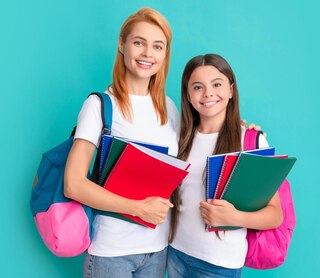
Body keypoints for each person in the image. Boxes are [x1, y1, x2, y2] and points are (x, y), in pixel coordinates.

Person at [64, 7, 177, 277]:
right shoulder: (100, 106)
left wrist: (242, 129)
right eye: (139, 42)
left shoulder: (170, 109)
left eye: (157, 46)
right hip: (112, 253)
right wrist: (139, 209)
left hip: (158, 250)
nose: (148, 53)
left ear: (164, 54)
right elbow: (73, 184)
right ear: (122, 44)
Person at [167, 54, 283, 278]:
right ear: (188, 96)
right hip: (175, 254)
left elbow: (275, 214)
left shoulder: (251, 141)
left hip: (218, 264)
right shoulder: (178, 138)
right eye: (197, 87)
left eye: (217, 84)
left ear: (231, 91)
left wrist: (234, 218)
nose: (208, 93)